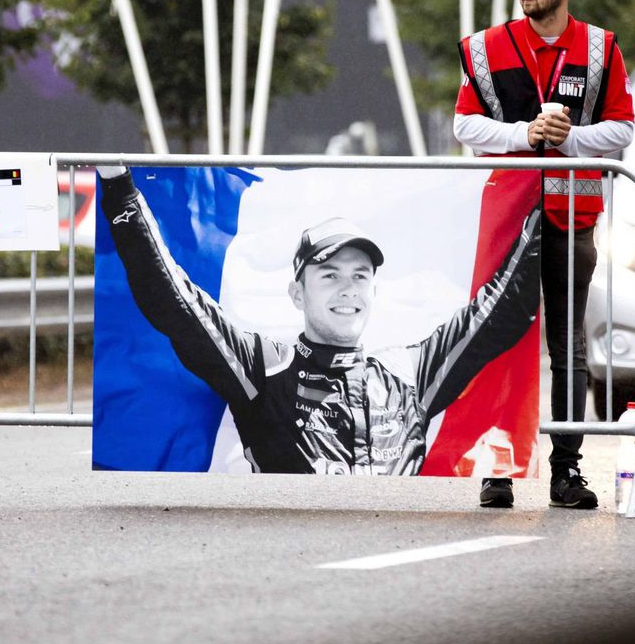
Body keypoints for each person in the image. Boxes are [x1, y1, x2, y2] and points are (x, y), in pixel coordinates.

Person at [97, 165, 540, 475]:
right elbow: (173, 301)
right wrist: (119, 188)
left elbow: (501, 312)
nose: (348, 289)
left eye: (359, 275)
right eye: (329, 275)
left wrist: (548, 198)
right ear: (297, 292)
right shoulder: (262, 368)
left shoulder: (411, 372)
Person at [453, 0, 635, 509]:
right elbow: (464, 125)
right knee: (504, 343)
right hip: (509, 217)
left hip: (573, 216)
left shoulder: (602, 48)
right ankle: (497, 469)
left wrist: (571, 137)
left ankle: (566, 472)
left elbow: (623, 130)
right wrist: (522, 135)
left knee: (568, 346)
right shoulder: (487, 48)